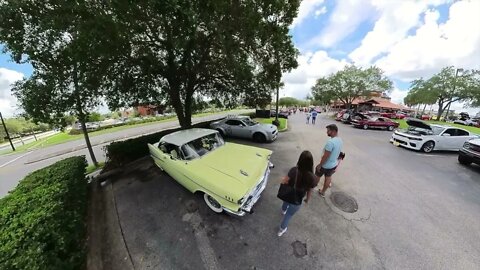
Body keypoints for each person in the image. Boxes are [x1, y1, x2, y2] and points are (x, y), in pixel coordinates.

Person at [278, 151, 317, 236]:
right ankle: (281, 230)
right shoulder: (312, 177)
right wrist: (307, 199)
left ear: (300, 160)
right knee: (289, 215)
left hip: (289, 194)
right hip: (297, 199)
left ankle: (283, 210)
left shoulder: (294, 170)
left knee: (286, 202)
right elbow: (310, 190)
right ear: (311, 163)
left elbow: (285, 180)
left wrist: (283, 181)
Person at [316, 124, 343, 197]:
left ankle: (312, 187)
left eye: (328, 131)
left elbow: (326, 156)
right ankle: (323, 192)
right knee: (328, 178)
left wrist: (320, 165)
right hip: (333, 164)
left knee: (317, 175)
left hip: (325, 165)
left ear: (334, 131)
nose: (327, 132)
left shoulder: (330, 142)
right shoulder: (340, 140)